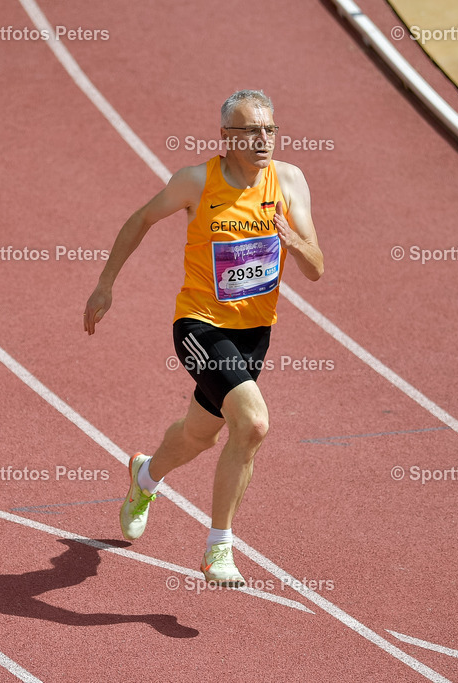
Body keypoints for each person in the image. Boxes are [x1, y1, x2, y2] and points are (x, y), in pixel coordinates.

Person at [84, 90, 323, 586]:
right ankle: (219, 549)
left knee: (201, 435)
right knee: (253, 425)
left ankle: (144, 477)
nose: (264, 141)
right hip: (200, 325)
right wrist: (106, 284)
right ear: (226, 139)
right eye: (251, 133)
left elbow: (316, 268)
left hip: (255, 333)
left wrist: (293, 239)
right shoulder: (196, 181)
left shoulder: (291, 181)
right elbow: (141, 219)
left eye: (270, 130)